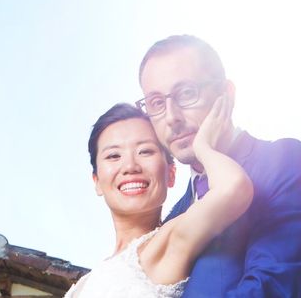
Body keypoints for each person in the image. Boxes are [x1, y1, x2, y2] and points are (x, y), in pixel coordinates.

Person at [137, 35, 301, 297]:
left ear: (226, 93)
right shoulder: (172, 218)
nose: (172, 118)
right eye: (157, 103)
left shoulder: (286, 161)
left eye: (186, 94)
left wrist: (206, 151)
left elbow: (269, 289)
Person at [66, 101, 253, 297]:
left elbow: (233, 188)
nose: (130, 166)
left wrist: (202, 147)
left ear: (171, 174)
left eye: (145, 151)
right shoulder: (89, 280)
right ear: (96, 181)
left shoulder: (170, 241)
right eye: (113, 156)